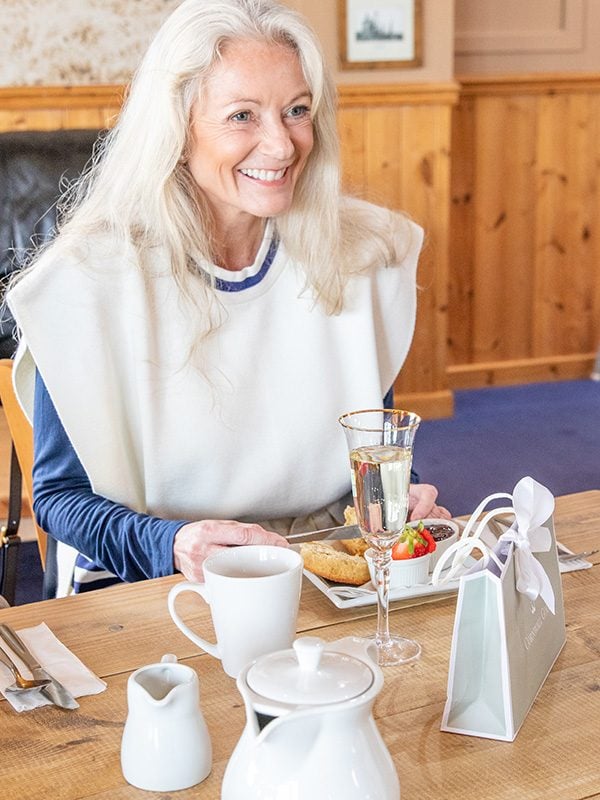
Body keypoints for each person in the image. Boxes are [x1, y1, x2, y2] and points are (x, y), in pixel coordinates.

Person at [7, 0, 450, 599]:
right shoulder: (89, 282)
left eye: (297, 110)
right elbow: (59, 500)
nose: (282, 144)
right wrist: (173, 543)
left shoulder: (364, 257)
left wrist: (403, 498)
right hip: (155, 573)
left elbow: (373, 459)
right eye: (242, 115)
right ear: (178, 126)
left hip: (327, 571)